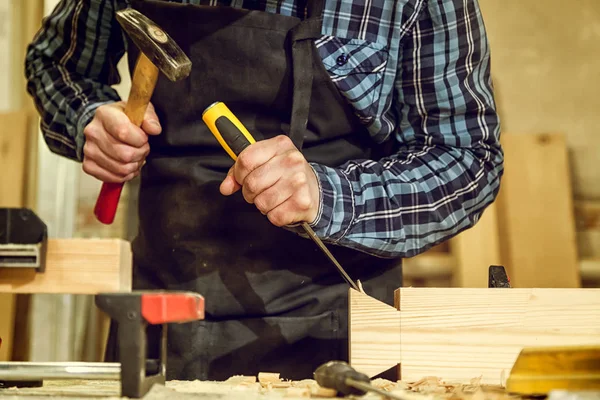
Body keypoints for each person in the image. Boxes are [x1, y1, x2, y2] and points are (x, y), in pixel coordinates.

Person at [25, 0, 503, 382]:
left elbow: (468, 158)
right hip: (162, 313)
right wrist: (88, 117)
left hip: (338, 335)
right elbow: (55, 64)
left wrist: (332, 195)